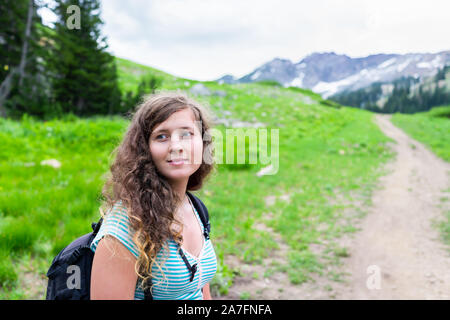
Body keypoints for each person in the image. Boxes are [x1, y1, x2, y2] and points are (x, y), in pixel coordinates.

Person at [90, 91, 217, 300]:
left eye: (187, 134)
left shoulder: (195, 208)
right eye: (162, 136)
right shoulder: (126, 226)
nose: (176, 146)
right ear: (144, 150)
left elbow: (200, 287)